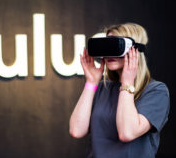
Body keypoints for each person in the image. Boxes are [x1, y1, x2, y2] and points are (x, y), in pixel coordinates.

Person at [69, 23, 170, 158]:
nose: (109, 53)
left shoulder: (156, 91)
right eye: (107, 46)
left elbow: (127, 133)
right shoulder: (102, 88)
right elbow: (76, 131)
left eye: (115, 46)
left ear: (135, 50)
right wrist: (91, 82)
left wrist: (127, 83)